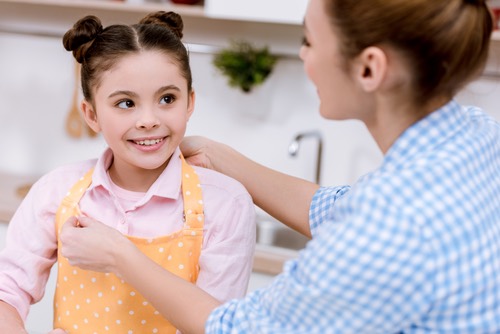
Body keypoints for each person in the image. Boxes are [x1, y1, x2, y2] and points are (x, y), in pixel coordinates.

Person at [58, 0, 500, 333]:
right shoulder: (477, 136)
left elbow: (242, 328)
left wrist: (120, 255)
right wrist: (226, 158)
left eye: (308, 40)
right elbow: (339, 208)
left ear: (369, 68)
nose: (304, 55)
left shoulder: (390, 223)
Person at [0, 11, 256, 334]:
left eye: (167, 98)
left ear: (189, 103)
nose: (148, 119)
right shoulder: (57, 191)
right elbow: (6, 293)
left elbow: (220, 327)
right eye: (125, 103)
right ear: (91, 114)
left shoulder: (225, 205)